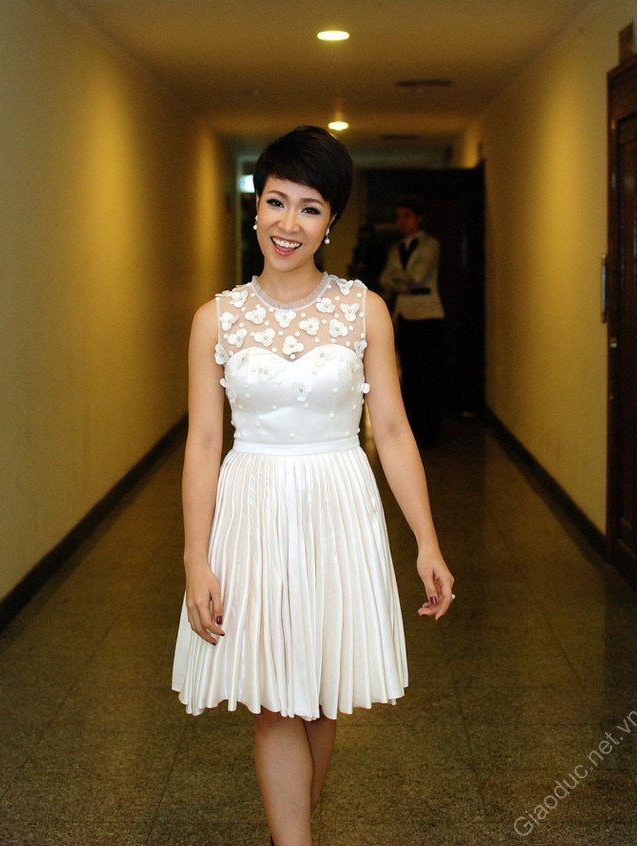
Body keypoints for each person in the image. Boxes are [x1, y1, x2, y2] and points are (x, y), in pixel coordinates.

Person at [171, 127, 454, 846]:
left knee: (321, 695)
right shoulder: (215, 319)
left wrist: (426, 541)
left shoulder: (364, 310)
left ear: (331, 222)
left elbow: (392, 430)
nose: (288, 224)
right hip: (254, 508)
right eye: (276, 201)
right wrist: (195, 557)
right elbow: (203, 443)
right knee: (274, 700)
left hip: (338, 506)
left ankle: (287, 832)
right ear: (255, 206)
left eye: (309, 208)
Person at [380, 195, 445, 448]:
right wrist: (402, 280)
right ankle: (413, 429)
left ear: (419, 218)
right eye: (399, 217)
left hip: (428, 314)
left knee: (428, 374)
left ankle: (430, 430)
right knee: (409, 375)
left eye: (407, 216)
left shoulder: (431, 244)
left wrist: (399, 279)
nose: (402, 222)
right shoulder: (395, 248)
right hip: (404, 314)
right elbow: (385, 279)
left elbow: (417, 276)